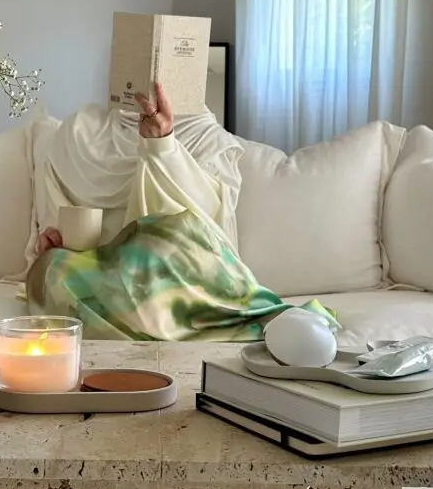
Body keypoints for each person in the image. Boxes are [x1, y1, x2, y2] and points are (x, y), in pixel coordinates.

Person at [26, 85, 287, 342]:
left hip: (175, 265)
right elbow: (58, 220)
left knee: (164, 240)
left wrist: (163, 146)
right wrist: (51, 241)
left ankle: (147, 313)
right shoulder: (80, 131)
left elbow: (205, 227)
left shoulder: (205, 133)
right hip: (105, 271)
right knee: (46, 270)